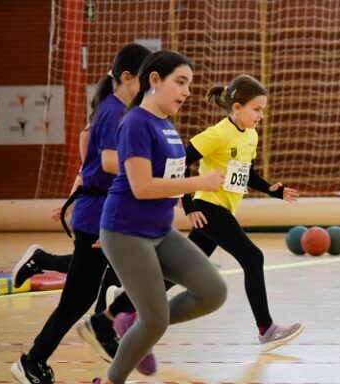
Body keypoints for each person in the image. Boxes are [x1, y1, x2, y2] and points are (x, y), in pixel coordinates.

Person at [11, 43, 151, 384]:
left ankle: (106, 332)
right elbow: (107, 163)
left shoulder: (121, 111)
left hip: (106, 212)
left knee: (107, 284)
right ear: (129, 77)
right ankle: (33, 360)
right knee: (80, 298)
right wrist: (153, 171)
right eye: (147, 79)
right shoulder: (114, 112)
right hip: (99, 214)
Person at [94, 50, 227, 384]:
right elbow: (140, 187)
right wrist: (200, 183)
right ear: (154, 80)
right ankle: (112, 380)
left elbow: (168, 178)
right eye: (180, 82)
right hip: (126, 232)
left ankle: (135, 322)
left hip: (159, 230)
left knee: (213, 291)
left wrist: (186, 197)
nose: (187, 92)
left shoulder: (165, 124)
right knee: (155, 321)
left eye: (189, 84)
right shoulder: (135, 122)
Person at [180, 74, 303, 352]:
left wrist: (275, 191)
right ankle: (266, 329)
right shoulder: (217, 134)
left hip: (222, 209)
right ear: (237, 108)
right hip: (206, 207)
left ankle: (125, 305)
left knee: (182, 268)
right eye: (256, 109)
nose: (261, 116)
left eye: (262, 110)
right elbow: (180, 162)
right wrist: (187, 204)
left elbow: (246, 173)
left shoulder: (251, 135)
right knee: (253, 257)